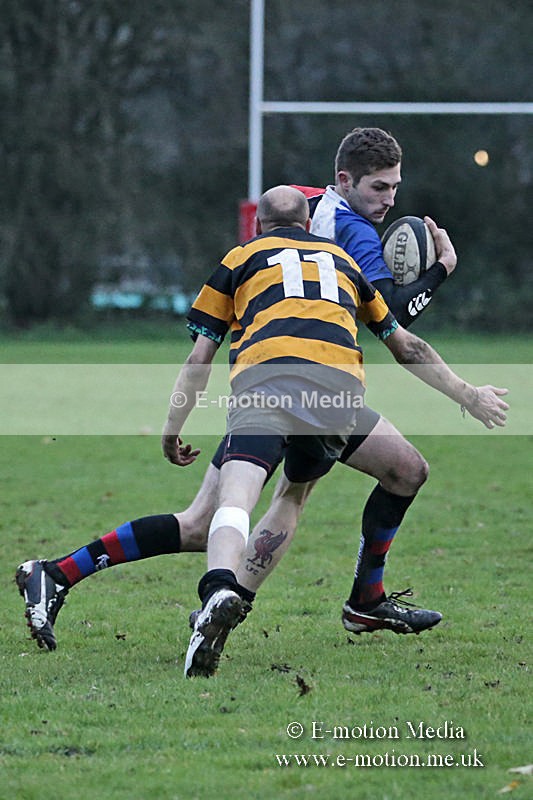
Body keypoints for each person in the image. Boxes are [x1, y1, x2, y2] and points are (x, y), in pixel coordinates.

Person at [159, 185, 507, 677]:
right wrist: (468, 395)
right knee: (399, 473)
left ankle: (219, 590)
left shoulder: (239, 257)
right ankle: (359, 597)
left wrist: (172, 426)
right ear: (308, 224)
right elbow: (408, 347)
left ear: (258, 224)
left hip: (265, 385)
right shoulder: (344, 262)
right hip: (334, 398)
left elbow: (199, 359)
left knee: (237, 497)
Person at [294, 125, 457, 326]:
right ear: (345, 180)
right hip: (318, 341)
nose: (390, 200)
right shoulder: (356, 231)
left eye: (394, 187)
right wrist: (444, 266)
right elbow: (392, 317)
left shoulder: (294, 198)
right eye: (379, 187)